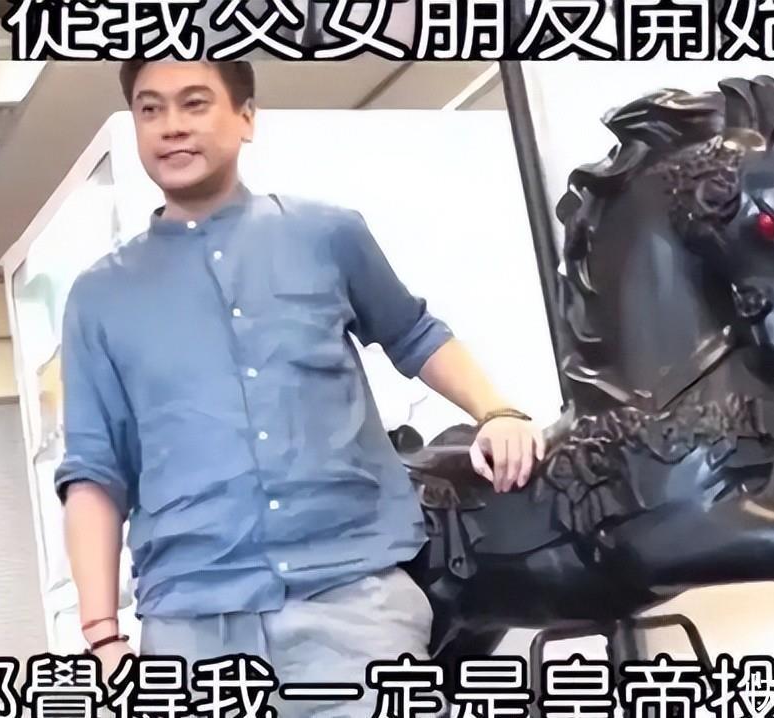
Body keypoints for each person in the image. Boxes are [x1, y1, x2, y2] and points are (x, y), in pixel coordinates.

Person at [56, 60, 543, 716]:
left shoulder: (328, 235)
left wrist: (498, 411)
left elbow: (414, 333)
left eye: (194, 104)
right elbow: (95, 472)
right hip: (191, 630)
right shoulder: (100, 298)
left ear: (246, 118)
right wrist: (103, 638)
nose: (170, 126)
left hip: (353, 605)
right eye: (150, 109)